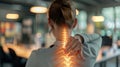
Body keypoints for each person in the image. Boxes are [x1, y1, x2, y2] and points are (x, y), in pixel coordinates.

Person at [25, 0, 102, 67]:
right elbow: (98, 38)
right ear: (75, 23)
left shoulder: (37, 57)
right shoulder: (87, 54)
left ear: (50, 23)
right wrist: (80, 37)